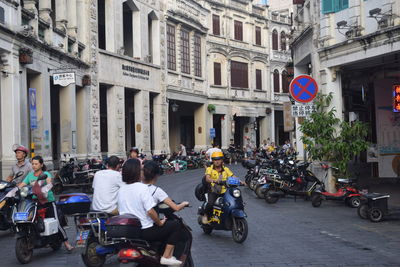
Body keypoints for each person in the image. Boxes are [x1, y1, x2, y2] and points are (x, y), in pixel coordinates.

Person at [118, 159, 184, 266]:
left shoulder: (121, 189)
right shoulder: (142, 188)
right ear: (136, 172)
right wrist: (160, 223)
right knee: (175, 225)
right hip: (145, 230)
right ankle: (166, 256)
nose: (142, 172)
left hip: (129, 232)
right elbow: (150, 211)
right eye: (141, 169)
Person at [18, 156, 74, 252]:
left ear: (41, 164)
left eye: (36, 164)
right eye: (33, 164)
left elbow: (49, 184)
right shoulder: (30, 175)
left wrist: (44, 189)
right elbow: (21, 185)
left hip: (48, 202)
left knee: (56, 222)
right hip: (35, 203)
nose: (34, 166)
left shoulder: (46, 174)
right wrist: (15, 189)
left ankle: (66, 243)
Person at [202, 151, 234, 224]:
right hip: (214, 191)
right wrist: (214, 181)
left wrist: (241, 182)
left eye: (219, 159)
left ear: (222, 160)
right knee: (210, 203)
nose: (217, 161)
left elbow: (232, 176)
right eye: (215, 160)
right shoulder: (209, 169)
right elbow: (207, 178)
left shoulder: (226, 169)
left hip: (225, 191)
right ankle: (205, 214)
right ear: (212, 161)